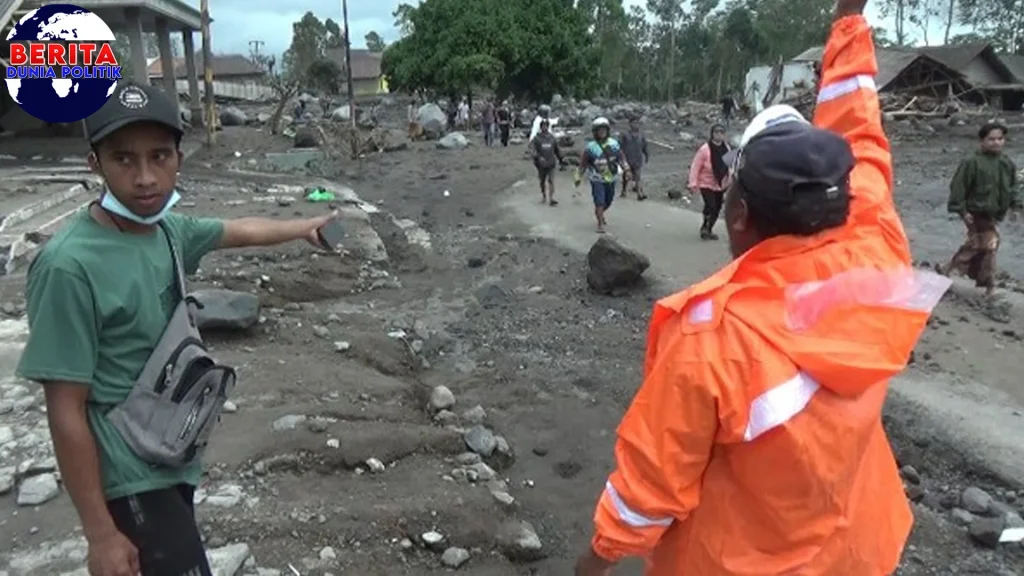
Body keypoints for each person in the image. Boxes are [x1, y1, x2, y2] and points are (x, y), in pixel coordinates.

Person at [574, 2, 952, 574]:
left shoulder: (714, 342)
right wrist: (850, 24)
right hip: (857, 550)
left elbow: (648, 487)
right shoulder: (877, 251)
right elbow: (863, 136)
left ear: (741, 212)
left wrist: (593, 564)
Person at [16, 82, 339, 576]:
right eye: (124, 159)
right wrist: (101, 534)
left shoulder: (166, 232)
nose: (145, 178)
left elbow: (238, 230)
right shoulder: (68, 267)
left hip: (170, 453)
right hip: (127, 476)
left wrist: (303, 227)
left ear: (178, 159)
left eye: (159, 157)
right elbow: (65, 408)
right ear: (94, 164)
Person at [941, 122, 1020, 296]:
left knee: (978, 245)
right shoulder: (972, 162)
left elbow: (1013, 187)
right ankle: (989, 283)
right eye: (991, 139)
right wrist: (962, 211)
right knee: (991, 244)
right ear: (982, 141)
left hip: (994, 212)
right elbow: (958, 186)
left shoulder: (1006, 163)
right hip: (976, 211)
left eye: (1000, 139)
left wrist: (1015, 207)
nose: (996, 143)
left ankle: (950, 269)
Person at [575, 117, 630, 234]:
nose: (602, 132)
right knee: (599, 200)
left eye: (604, 130)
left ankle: (600, 213)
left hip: (611, 177)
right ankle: (600, 224)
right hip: (597, 179)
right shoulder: (590, 148)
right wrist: (578, 177)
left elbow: (621, 158)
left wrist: (627, 169)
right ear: (595, 132)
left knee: (608, 200)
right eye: (599, 130)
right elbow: (582, 164)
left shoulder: (614, 144)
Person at [687, 124, 731, 240]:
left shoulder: (726, 148)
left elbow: (730, 165)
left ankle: (709, 228)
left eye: (721, 132)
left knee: (717, 208)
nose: (719, 135)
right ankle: (705, 227)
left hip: (720, 183)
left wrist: (732, 179)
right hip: (706, 183)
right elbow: (696, 166)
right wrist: (693, 183)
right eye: (716, 132)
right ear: (712, 134)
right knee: (710, 205)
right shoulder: (705, 149)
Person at [530, 118, 565, 206]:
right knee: (542, 181)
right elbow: (533, 150)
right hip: (541, 164)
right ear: (541, 127)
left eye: (546, 126)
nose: (544, 128)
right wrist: (538, 157)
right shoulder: (537, 138)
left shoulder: (552, 138)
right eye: (543, 126)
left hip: (551, 163)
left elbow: (557, 150)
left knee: (551, 180)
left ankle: (551, 198)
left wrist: (561, 160)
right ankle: (544, 196)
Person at [619, 116, 649, 200]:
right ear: (630, 124)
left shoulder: (641, 135)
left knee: (637, 176)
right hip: (627, 159)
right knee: (626, 176)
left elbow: (645, 146)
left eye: (637, 123)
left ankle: (639, 194)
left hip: (637, 159)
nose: (636, 125)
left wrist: (646, 155)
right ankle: (624, 190)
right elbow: (619, 146)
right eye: (634, 123)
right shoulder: (625, 135)